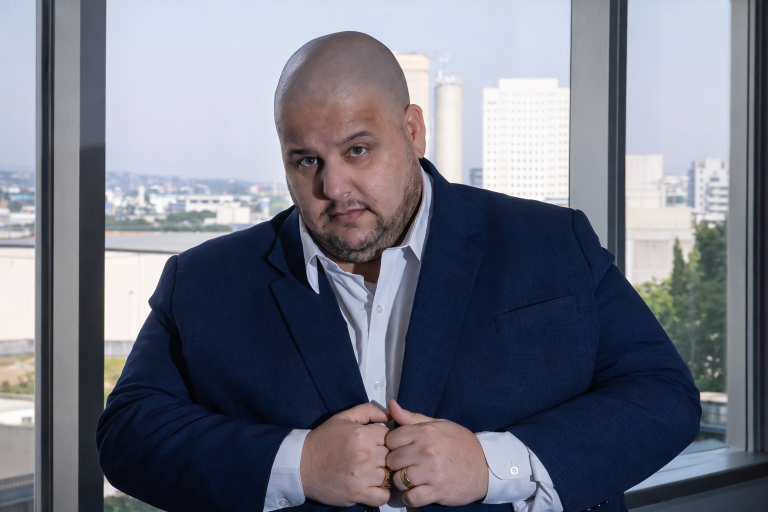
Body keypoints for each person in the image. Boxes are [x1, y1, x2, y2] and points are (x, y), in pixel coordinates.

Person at [97, 32, 701, 512]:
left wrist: (492, 465)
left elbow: (663, 396)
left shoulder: (552, 243)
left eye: (357, 150)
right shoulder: (204, 281)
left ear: (412, 131)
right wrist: (299, 463)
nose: (334, 187)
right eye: (305, 160)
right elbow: (128, 435)